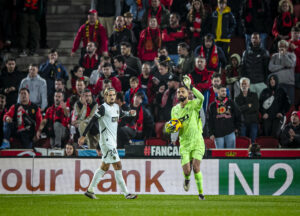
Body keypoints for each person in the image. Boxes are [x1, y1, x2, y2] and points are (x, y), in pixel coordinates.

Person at [78, 87, 137, 199]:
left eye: (113, 95)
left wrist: (130, 113)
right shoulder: (102, 109)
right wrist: (83, 135)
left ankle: (90, 190)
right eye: (109, 95)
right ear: (105, 96)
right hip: (106, 141)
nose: (111, 97)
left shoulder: (116, 107)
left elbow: (121, 114)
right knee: (118, 165)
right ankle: (126, 193)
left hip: (112, 141)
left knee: (104, 167)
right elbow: (92, 122)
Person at [170, 75, 205, 200]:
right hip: (184, 143)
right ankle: (187, 180)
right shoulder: (174, 110)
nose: (180, 93)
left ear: (188, 93)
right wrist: (172, 138)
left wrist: (192, 87)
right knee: (187, 171)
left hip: (197, 141)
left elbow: (202, 97)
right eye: (178, 92)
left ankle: (201, 193)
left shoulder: (194, 104)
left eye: (183, 91)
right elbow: (174, 126)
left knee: (196, 167)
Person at [241, 32, 269, 97]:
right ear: (250, 39)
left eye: (256, 38)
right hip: (250, 84)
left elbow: (266, 69)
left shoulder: (264, 52)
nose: (254, 40)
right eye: (253, 38)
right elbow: (243, 68)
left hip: (261, 83)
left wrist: (265, 83)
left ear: (260, 39)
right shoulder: (246, 53)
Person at [269, 39, 296, 105]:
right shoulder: (274, 56)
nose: (281, 48)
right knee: (278, 104)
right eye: (280, 46)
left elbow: (291, 64)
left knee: (290, 104)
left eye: (283, 46)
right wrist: (283, 66)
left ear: (287, 48)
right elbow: (271, 68)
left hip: (289, 84)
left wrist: (284, 55)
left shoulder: (292, 55)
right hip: (278, 84)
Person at [235, 77, 259, 143]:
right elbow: (238, 110)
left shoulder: (254, 95)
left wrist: (243, 108)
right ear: (240, 86)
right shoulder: (237, 98)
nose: (244, 85)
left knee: (253, 141)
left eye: (245, 84)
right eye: (242, 84)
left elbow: (256, 108)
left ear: (248, 85)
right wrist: (248, 106)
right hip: (243, 123)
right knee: (243, 142)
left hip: (253, 121)